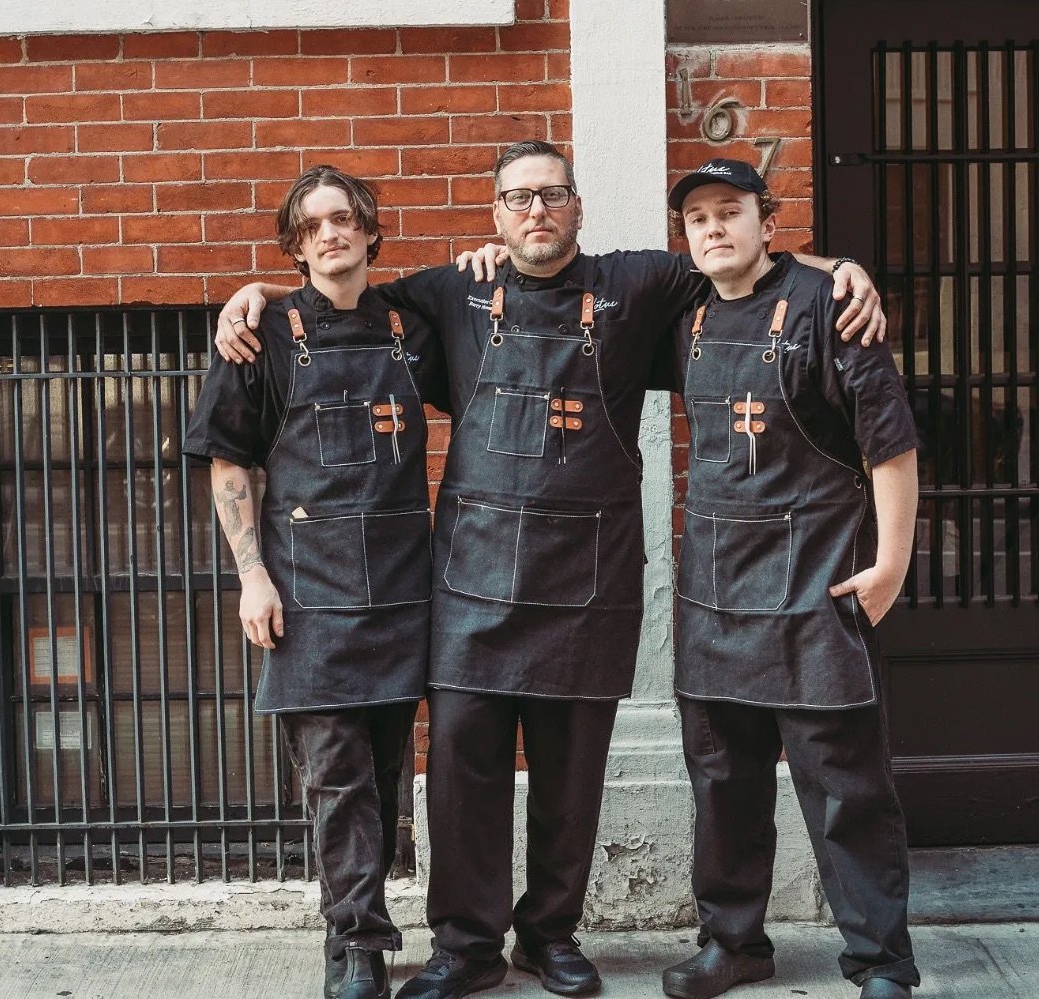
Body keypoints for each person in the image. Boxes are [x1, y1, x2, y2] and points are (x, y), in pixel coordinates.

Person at [213, 141, 884, 999]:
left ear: (578, 206)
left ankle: (551, 935)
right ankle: (466, 947)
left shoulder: (641, 283)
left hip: (587, 583)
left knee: (571, 778)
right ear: (494, 214)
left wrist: (843, 270)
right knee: (463, 777)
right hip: (469, 585)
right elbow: (337, 297)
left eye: (552, 195)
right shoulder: (449, 292)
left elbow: (750, 266)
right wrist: (257, 292)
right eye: (517, 198)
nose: (536, 212)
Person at [658, 160, 920, 999]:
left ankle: (881, 960)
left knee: (847, 791)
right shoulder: (683, 312)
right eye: (697, 218)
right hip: (713, 594)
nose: (713, 229)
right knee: (723, 788)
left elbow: (890, 446)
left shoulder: (830, 308)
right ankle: (732, 943)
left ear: (768, 223)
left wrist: (891, 562)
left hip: (812, 590)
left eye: (729, 211)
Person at [184, 166, 447, 999]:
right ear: (295, 246)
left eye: (346, 220)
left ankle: (368, 923)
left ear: (371, 231)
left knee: (383, 771)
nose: (332, 234)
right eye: (312, 226)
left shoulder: (414, 327)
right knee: (335, 779)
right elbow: (230, 461)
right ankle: (355, 947)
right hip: (306, 592)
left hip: (403, 588)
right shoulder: (260, 335)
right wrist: (250, 575)